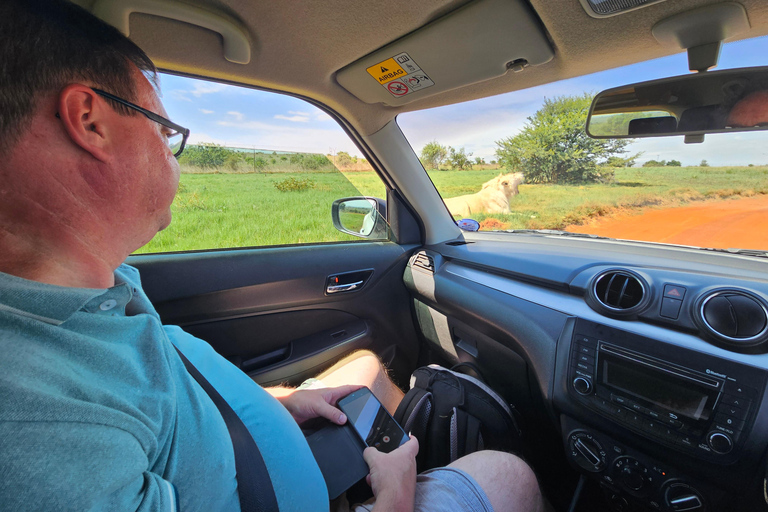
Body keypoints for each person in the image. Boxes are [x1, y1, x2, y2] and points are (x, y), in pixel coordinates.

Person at [0, 1, 544, 511]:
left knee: (363, 369)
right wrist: (394, 498)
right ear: (90, 121)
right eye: (165, 130)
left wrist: (277, 402)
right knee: (507, 474)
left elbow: (163, 397)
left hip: (241, 443)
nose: (171, 151)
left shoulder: (98, 284)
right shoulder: (31, 423)